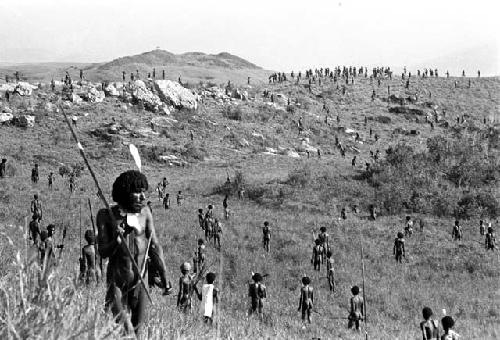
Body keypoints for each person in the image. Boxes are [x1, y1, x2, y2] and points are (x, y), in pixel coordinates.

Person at [96, 170, 172, 336]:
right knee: (127, 331)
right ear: (125, 193)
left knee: (138, 332)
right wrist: (117, 240)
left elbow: (155, 245)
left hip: (141, 280)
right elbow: (102, 252)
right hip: (117, 281)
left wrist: (164, 274)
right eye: (138, 192)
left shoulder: (145, 213)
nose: (143, 197)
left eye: (144, 192)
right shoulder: (106, 215)